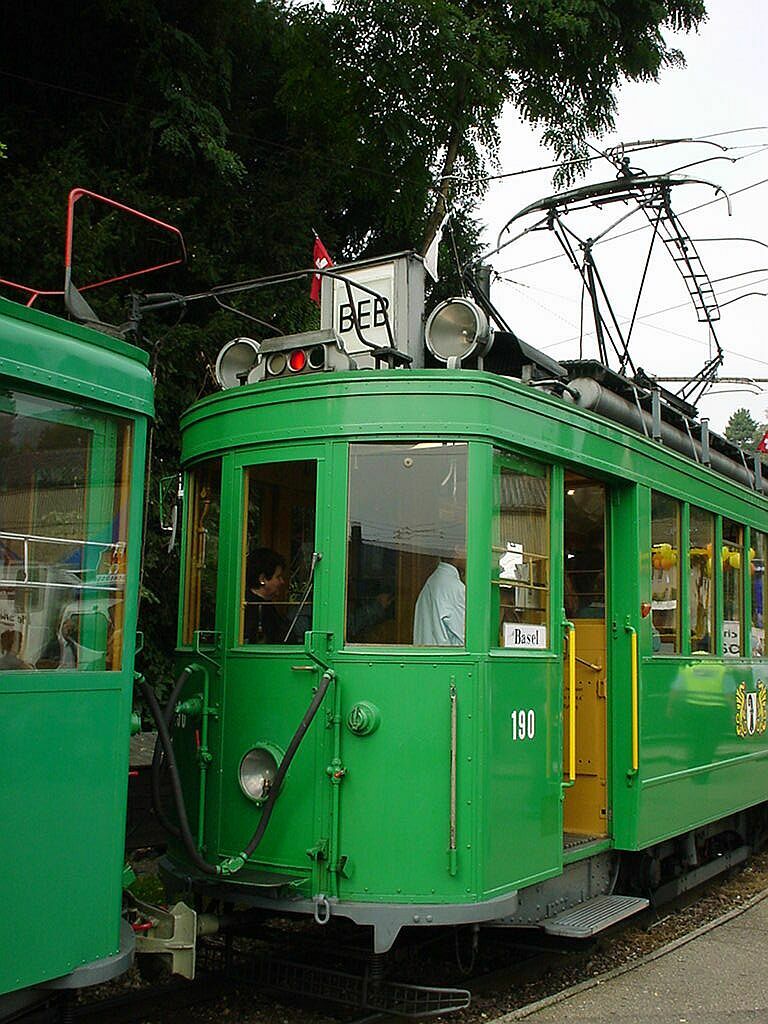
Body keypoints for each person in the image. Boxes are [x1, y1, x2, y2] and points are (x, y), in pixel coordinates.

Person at [413, 552, 466, 646]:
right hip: (447, 654)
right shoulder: (455, 588)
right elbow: (466, 638)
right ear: (458, 549)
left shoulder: (432, 581)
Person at [243, 548, 291, 644]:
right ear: (262, 579)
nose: (282, 582)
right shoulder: (252, 608)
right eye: (278, 577)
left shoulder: (265, 605)